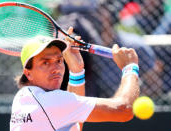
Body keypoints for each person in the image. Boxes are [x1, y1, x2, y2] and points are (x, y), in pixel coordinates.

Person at [10, 27, 140, 131]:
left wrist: (76, 71)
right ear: (28, 73)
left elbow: (74, 125)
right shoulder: (51, 101)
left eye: (59, 60)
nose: (56, 68)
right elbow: (123, 109)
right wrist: (130, 67)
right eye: (46, 63)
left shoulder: (22, 98)